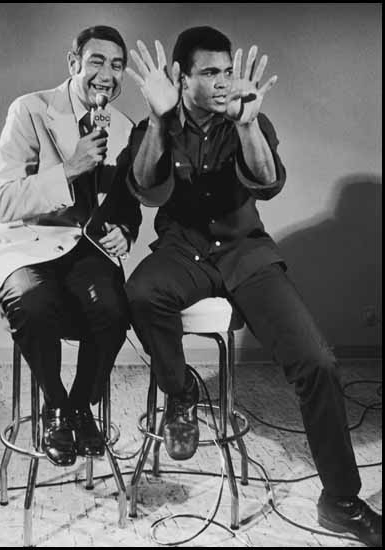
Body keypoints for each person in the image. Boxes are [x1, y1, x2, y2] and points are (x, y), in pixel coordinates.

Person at [123, 27, 381, 546]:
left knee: (318, 361)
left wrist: (245, 127)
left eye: (227, 71)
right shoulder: (159, 123)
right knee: (140, 294)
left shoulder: (248, 117)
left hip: (246, 253)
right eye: (210, 73)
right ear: (181, 77)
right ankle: (182, 391)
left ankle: (341, 501)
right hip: (183, 251)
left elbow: (267, 181)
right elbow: (148, 190)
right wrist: (155, 119)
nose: (223, 83)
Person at [0, 26, 142, 467]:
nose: (106, 74)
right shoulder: (30, 111)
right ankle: (54, 404)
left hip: (85, 251)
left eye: (116, 64)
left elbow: (127, 207)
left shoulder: (126, 129)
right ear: (73, 64)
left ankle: (78, 406)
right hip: (28, 245)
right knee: (33, 304)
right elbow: (2, 200)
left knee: (114, 310)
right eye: (96, 61)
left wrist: (125, 231)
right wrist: (69, 170)